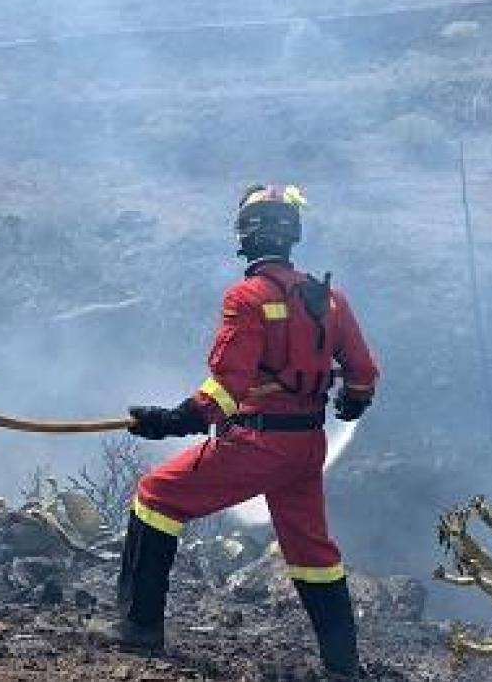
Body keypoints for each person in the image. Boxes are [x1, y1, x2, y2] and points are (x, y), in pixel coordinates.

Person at [93, 184, 380, 680]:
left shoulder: (247, 297)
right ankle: (344, 667)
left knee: (155, 497)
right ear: (293, 234)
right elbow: (363, 374)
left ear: (247, 234)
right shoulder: (330, 300)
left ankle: (139, 629)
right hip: (306, 447)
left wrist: (173, 420)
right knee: (312, 552)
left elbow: (226, 387)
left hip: (256, 443)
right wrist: (352, 403)